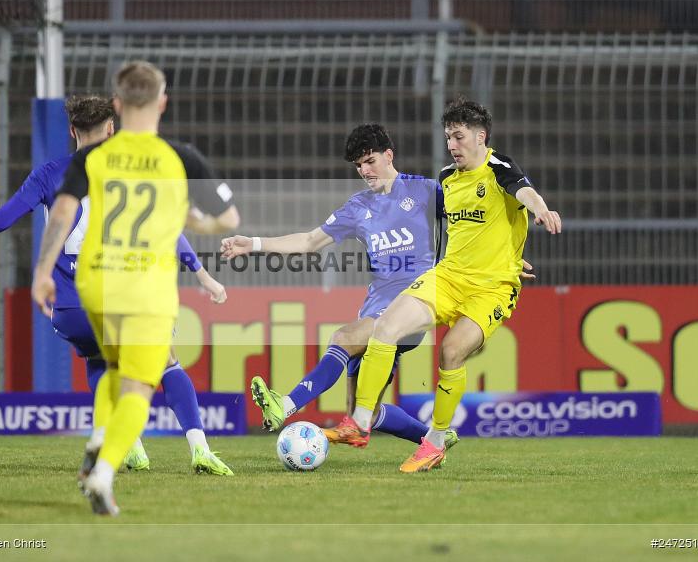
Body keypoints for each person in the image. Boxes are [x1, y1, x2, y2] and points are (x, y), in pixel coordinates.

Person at [0, 94, 235, 477]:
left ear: (73, 131)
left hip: (71, 309)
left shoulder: (48, 174)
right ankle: (200, 450)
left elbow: (4, 218)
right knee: (167, 363)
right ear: (112, 129)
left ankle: (132, 448)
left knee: (97, 358)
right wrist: (202, 274)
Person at [31, 61, 238, 516]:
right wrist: (194, 218)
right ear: (163, 102)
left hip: (95, 280)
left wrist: (43, 271)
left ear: (119, 105)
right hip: (145, 284)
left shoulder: (91, 157)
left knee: (112, 362)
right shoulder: (181, 157)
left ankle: (99, 438)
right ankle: (103, 474)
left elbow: (62, 214)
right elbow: (228, 220)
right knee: (141, 386)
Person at [334, 96, 561, 473]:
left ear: (480, 137)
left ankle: (435, 442)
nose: (452, 145)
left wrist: (540, 209)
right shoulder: (446, 179)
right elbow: (454, 228)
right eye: (448, 138)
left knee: (451, 352)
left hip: (491, 288)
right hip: (448, 276)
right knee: (385, 326)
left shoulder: (499, 168)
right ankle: (358, 422)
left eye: (458, 137)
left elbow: (523, 191)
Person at [221, 123, 461, 451]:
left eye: (370, 160)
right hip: (375, 307)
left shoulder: (424, 191)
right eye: (359, 165)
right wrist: (255, 243)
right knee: (363, 414)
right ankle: (434, 439)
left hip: (413, 305)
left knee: (343, 338)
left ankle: (286, 405)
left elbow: (472, 219)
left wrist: (501, 259)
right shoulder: (358, 207)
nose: (364, 170)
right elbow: (308, 241)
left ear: (389, 155)